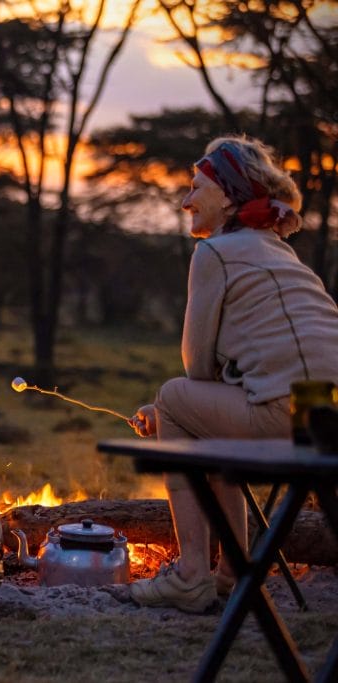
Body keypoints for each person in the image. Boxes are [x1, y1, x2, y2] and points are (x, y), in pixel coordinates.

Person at [127, 135, 338, 613]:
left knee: (172, 396)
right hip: (327, 413)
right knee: (190, 413)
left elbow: (195, 368)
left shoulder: (215, 253)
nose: (185, 201)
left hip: (287, 410)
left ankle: (190, 576)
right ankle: (231, 574)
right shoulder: (280, 251)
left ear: (225, 195)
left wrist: (163, 410)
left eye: (195, 187)